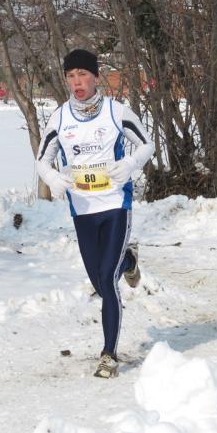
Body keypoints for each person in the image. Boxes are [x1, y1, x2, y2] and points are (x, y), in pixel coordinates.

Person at [36, 49, 154, 379]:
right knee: (102, 284)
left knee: (106, 276)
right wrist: (53, 179)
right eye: (71, 76)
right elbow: (41, 160)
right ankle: (128, 262)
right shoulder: (59, 118)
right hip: (82, 208)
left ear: (96, 77)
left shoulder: (117, 112)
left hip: (116, 204)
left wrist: (129, 164)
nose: (77, 82)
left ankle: (108, 355)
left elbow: (147, 145)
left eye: (83, 75)